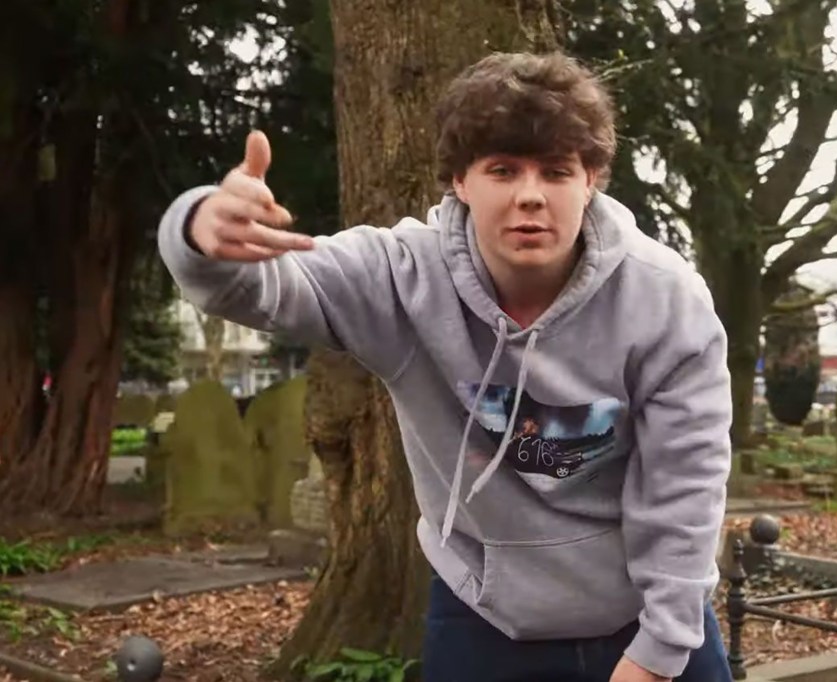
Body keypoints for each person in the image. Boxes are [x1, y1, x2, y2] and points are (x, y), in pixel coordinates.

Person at [158, 52, 733, 682]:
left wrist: (658, 653)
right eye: (503, 170)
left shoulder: (666, 300)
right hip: (483, 615)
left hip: (646, 613)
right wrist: (200, 231)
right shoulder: (403, 279)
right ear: (460, 180)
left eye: (557, 171)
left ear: (592, 178)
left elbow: (687, 484)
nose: (531, 196)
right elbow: (267, 288)